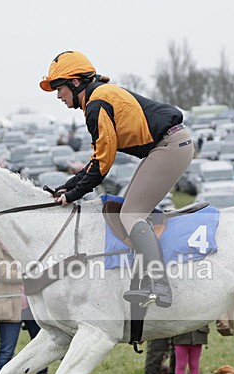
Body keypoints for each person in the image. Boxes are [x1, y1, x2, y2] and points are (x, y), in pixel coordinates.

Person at [40, 50, 194, 308]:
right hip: (169, 145)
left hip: (169, 146)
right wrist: (69, 185)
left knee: (131, 215)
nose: (58, 96)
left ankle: (160, 285)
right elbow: (99, 157)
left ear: (75, 83)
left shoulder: (96, 104)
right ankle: (148, 279)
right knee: (131, 210)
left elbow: (102, 164)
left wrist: (73, 194)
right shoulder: (97, 97)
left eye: (59, 88)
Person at [0, 225, 49, 374]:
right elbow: (5, 275)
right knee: (6, 350)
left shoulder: (16, 244)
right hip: (7, 307)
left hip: (31, 305)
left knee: (40, 345)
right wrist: (30, 273)